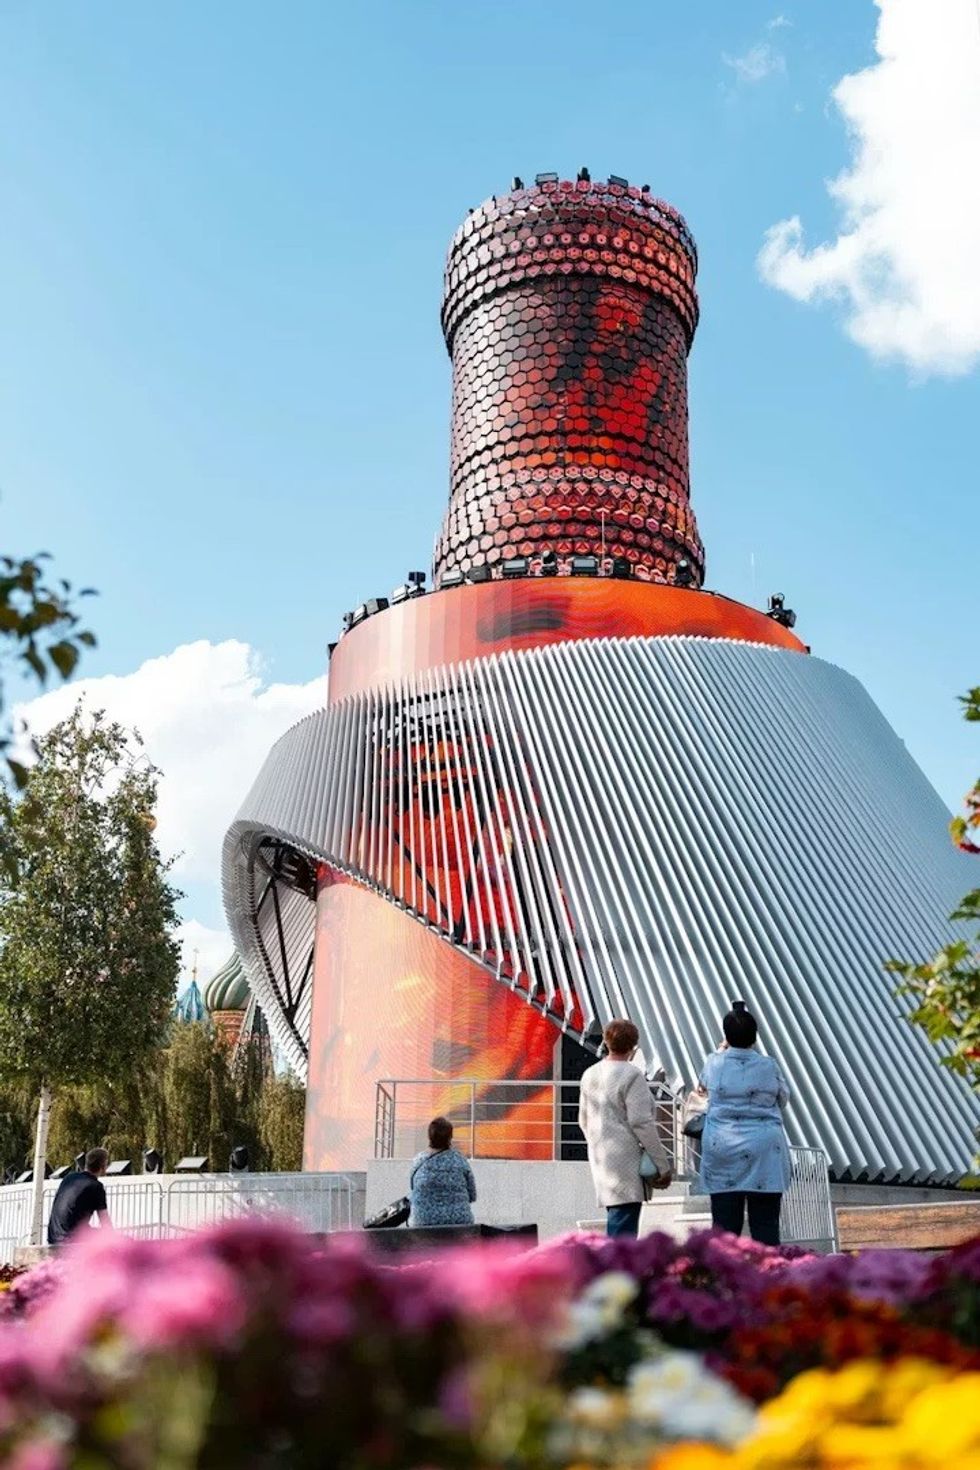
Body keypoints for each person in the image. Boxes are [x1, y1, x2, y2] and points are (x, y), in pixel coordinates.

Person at [698, 1000, 791, 1246]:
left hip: (723, 1148)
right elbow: (783, 1098)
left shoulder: (714, 1062)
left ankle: (724, 1269)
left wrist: (722, 1049)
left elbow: (702, 1086)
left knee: (725, 1231)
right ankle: (769, 1268)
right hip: (764, 1151)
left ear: (726, 1035)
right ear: (755, 1035)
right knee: (766, 1227)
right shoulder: (768, 1065)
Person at [578, 1019, 673, 1238]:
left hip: (601, 1156)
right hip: (626, 1159)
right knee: (623, 1228)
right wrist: (662, 1164)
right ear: (633, 1046)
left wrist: (597, 1143)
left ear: (606, 1042)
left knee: (617, 1217)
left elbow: (583, 1120)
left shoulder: (590, 1073)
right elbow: (641, 1122)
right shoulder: (632, 1075)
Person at [409, 1116, 477, 1227]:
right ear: (450, 1137)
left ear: (429, 1136)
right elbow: (472, 1196)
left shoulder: (418, 1160)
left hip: (423, 1224)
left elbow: (413, 1188)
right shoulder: (460, 1160)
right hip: (459, 1224)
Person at [47, 1147, 111, 1247]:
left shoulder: (69, 1178)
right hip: (72, 1240)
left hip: (53, 1237)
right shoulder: (96, 1186)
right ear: (103, 1166)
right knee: (109, 1239)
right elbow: (105, 1223)